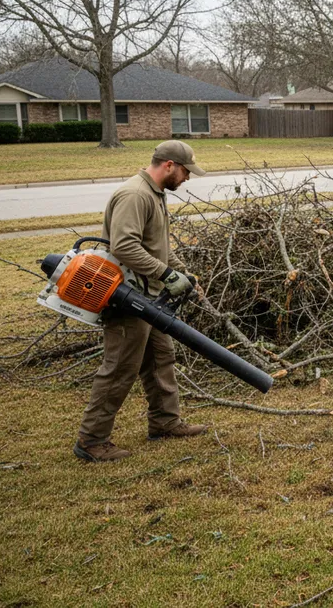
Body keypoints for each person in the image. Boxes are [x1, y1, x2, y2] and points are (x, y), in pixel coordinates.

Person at [74, 141, 209, 462]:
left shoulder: (154, 194)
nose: (188, 178)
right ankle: (92, 440)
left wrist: (182, 274)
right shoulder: (136, 195)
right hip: (125, 297)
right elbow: (124, 246)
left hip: (148, 298)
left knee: (161, 357)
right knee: (120, 367)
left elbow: (157, 246)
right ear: (169, 165)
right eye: (186, 171)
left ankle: (165, 422)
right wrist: (165, 273)